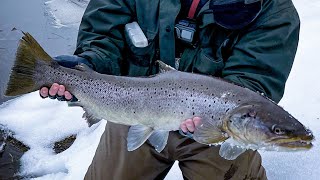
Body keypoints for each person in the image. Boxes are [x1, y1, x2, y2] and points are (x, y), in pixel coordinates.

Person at [40, 0, 300, 179]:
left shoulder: (273, 11)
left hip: (217, 129)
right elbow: (104, 34)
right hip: (133, 108)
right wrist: (90, 63)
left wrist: (212, 124)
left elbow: (254, 83)